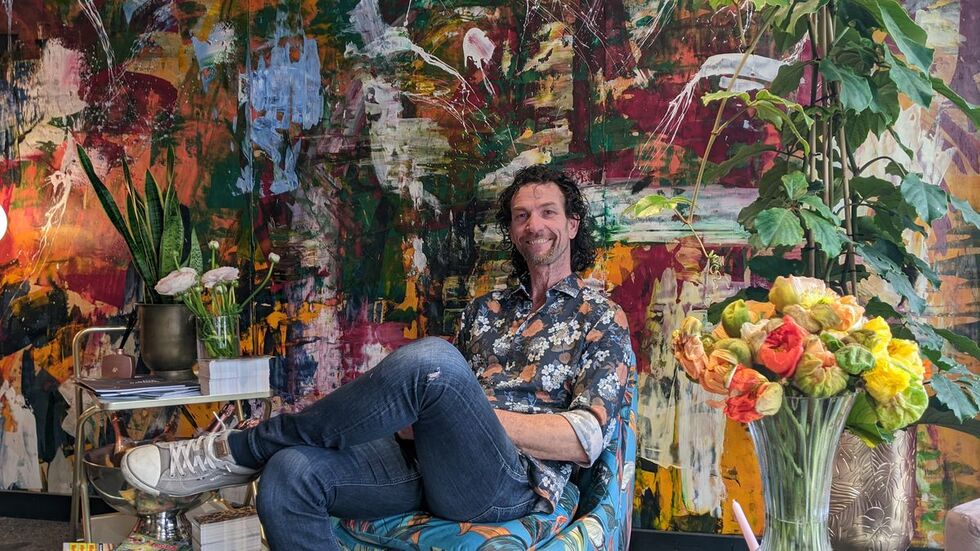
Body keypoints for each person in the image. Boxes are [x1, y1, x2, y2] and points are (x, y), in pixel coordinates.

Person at [120, 164, 635, 550]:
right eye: (521, 215)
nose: (533, 224)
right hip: (426, 462)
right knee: (289, 475)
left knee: (433, 361)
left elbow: (583, 440)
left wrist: (469, 417)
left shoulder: (600, 316)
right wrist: (420, 415)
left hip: (505, 483)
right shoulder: (486, 309)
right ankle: (260, 452)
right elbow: (429, 401)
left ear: (572, 225)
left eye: (548, 212)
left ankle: (240, 448)